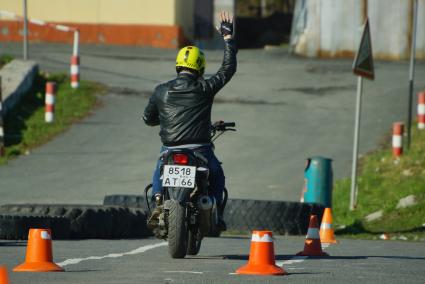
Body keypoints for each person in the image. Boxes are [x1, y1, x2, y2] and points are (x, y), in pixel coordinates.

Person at [143, 11, 237, 231]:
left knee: (159, 170)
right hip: (200, 150)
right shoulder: (205, 88)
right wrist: (228, 38)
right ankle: (212, 206)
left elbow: (147, 118)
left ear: (178, 65)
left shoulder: (161, 91)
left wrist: (165, 118)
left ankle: (158, 202)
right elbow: (227, 69)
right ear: (201, 67)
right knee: (218, 175)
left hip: (170, 148)